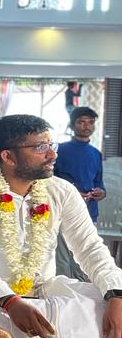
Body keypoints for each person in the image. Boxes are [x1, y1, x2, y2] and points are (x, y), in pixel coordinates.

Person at [0, 114, 122, 338]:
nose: (52, 155)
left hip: (45, 289)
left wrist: (116, 293)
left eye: (51, 146)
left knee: (104, 300)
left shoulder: (61, 191)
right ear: (8, 156)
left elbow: (89, 247)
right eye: (40, 147)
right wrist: (10, 301)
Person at [54, 107, 106, 278]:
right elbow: (49, 180)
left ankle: (82, 298)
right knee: (62, 259)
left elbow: (99, 182)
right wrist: (73, 192)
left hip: (89, 212)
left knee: (84, 257)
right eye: (81, 122)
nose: (87, 126)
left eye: (91, 122)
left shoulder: (96, 154)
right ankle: (61, 298)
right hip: (63, 211)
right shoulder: (59, 150)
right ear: (72, 125)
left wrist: (101, 193)